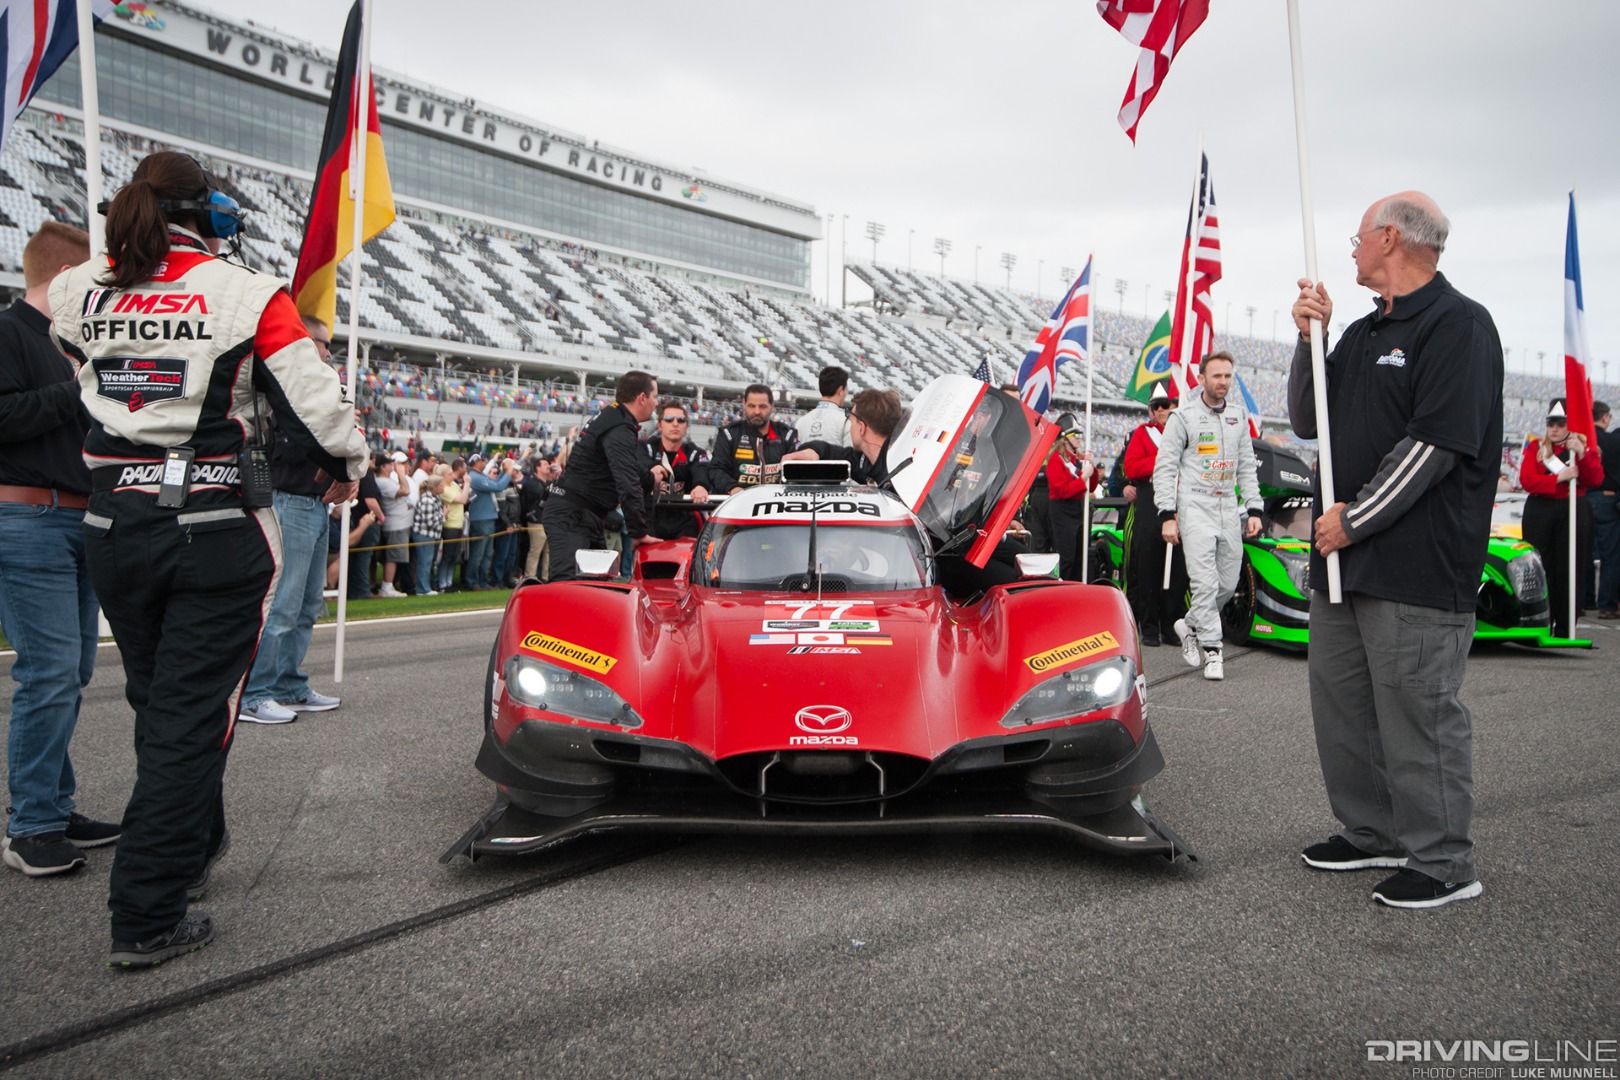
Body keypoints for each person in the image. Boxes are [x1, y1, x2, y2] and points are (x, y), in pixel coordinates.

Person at [49, 151, 367, 965]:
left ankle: (189, 849)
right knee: (192, 716)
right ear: (213, 213)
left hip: (113, 523)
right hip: (215, 520)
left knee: (163, 705)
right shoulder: (246, 289)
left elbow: (68, 345)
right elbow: (319, 399)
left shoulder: (79, 287)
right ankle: (148, 913)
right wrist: (348, 468)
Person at [1288, 190, 1502, 910]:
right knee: (1343, 705)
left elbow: (1437, 444)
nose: (1349, 249)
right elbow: (1305, 417)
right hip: (1345, 559)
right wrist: (1309, 340)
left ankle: (1443, 860)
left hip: (1413, 561)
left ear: (1389, 239)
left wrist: (1357, 518)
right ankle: (1371, 829)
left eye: (1356, 238)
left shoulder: (1459, 325)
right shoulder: (1358, 332)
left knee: (1417, 709)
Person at [0, 222, 120, 877]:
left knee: (68, 674)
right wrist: (79, 384)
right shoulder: (10, 333)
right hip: (27, 516)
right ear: (65, 279)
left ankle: (51, 801)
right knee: (48, 673)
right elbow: (7, 419)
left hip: (75, 519)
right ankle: (32, 825)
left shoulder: (64, 345)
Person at [788, 388, 1026, 600]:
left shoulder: (909, 463)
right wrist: (814, 451)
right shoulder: (869, 460)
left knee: (1026, 576)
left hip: (951, 552)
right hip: (933, 561)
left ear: (861, 427)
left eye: (851, 422)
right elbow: (835, 452)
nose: (850, 428)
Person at [239, 316, 349, 725]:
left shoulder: (314, 391)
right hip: (291, 502)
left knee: (306, 605)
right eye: (321, 343)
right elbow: (294, 444)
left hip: (315, 505)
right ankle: (255, 692)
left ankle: (287, 684)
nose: (327, 352)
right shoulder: (283, 389)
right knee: (283, 605)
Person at [1153, 351, 1262, 681]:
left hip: (1227, 505)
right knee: (1204, 581)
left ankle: (1189, 624)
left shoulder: (1239, 417)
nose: (1223, 382)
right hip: (1194, 504)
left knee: (1228, 583)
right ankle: (1213, 651)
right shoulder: (1182, 418)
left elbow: (1246, 465)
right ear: (1201, 379)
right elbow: (1165, 467)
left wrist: (1254, 507)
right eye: (1216, 376)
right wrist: (1167, 514)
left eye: (1228, 376)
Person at [542, 370, 664, 580]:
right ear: (642, 398)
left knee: (597, 586)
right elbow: (627, 481)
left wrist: (650, 478)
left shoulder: (614, 417)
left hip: (585, 515)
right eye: (655, 397)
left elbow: (625, 466)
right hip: (572, 516)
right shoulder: (619, 426)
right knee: (566, 586)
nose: (657, 403)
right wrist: (638, 532)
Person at [1518, 399, 1602, 639]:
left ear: (1570, 425)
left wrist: (1581, 453)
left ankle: (1566, 628)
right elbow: (1527, 480)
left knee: (1570, 569)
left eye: (1560, 423)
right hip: (1540, 512)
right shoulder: (1536, 448)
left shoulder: (1584, 450)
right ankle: (1538, 623)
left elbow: (1595, 479)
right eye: (1550, 423)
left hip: (1573, 511)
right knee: (1539, 567)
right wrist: (1558, 478)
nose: (1554, 428)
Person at [1121, 383, 1188, 647]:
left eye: (1166, 404)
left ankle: (1171, 624)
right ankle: (1149, 627)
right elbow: (1131, 467)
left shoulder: (1185, 434)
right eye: (1156, 406)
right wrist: (1164, 460)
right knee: (1148, 564)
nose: (1162, 410)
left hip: (1181, 500)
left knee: (1178, 567)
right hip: (1151, 500)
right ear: (1151, 410)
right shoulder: (1143, 433)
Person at [644, 399, 715, 540]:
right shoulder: (647, 448)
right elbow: (638, 460)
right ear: (659, 425)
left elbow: (701, 469)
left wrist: (700, 486)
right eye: (669, 419)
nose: (675, 424)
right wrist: (651, 467)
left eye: (681, 420)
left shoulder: (695, 452)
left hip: (685, 519)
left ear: (686, 426)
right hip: (652, 516)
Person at [710, 384, 799, 492]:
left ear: (772, 406)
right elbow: (717, 469)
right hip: (738, 502)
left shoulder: (787, 435)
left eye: (762, 406)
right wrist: (732, 487)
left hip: (775, 502)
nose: (757, 411)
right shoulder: (729, 433)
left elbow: (795, 473)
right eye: (752, 406)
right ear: (744, 404)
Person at [1044, 420, 1099, 582]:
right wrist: (1084, 476)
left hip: (1079, 508)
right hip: (1063, 510)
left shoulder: (1078, 459)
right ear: (1064, 438)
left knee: (1080, 558)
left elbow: (1092, 486)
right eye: (1075, 435)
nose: (1079, 438)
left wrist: (1092, 468)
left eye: (1080, 434)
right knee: (1067, 558)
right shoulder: (1055, 460)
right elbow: (1063, 491)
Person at [1587, 401, 1619, 618]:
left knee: (1584, 553)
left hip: (1584, 498)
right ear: (1605, 417)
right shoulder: (1613, 440)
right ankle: (1607, 605)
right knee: (1610, 555)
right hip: (1608, 499)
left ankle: (1583, 600)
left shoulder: (1584, 439)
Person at [374, 451, 414, 597]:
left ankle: (389, 585)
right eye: (390, 464)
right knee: (393, 557)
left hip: (399, 523)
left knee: (395, 556)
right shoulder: (383, 482)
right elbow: (405, 490)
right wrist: (401, 475)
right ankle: (387, 586)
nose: (393, 466)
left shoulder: (385, 481)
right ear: (383, 467)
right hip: (395, 524)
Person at [793, 365, 851, 447]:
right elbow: (851, 455)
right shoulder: (845, 420)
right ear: (840, 390)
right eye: (846, 389)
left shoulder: (801, 422)